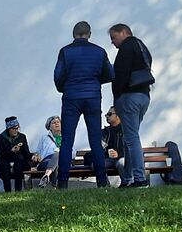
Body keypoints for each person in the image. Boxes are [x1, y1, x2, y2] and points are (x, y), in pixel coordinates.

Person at [53, 21, 113, 189]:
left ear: (73, 34)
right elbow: (110, 73)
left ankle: (62, 182)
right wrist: (95, 82)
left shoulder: (65, 51)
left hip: (71, 97)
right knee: (95, 139)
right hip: (93, 97)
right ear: (89, 34)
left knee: (67, 140)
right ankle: (101, 181)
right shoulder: (99, 51)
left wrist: (64, 88)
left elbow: (58, 75)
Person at [109, 23, 153, 188]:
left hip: (129, 97)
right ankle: (127, 179)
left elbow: (122, 74)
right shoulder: (141, 46)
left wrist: (117, 94)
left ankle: (140, 179)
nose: (112, 42)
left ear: (123, 32)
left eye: (113, 37)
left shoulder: (127, 47)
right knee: (130, 138)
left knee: (131, 139)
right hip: (143, 96)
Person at [0, 116, 35, 192]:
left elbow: (26, 153)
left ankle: (18, 190)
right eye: (14, 129)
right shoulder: (0, 138)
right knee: (4, 165)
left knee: (18, 164)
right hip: (6, 160)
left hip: (19, 161)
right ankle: (7, 191)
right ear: (9, 129)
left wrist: (33, 156)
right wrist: (11, 151)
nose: (16, 131)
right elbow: (1, 155)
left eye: (17, 128)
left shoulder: (22, 137)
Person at [33, 116, 64, 187]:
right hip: (46, 161)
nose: (56, 124)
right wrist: (36, 156)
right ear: (49, 127)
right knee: (57, 159)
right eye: (53, 123)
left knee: (58, 156)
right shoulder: (44, 138)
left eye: (58, 122)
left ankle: (47, 175)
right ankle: (54, 187)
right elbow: (38, 151)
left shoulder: (65, 137)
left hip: (62, 160)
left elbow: (72, 152)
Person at [101, 106, 125, 172]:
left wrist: (118, 154)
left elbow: (132, 148)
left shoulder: (126, 130)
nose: (107, 116)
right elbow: (100, 148)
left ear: (118, 115)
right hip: (108, 159)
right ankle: (104, 179)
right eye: (106, 115)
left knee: (122, 163)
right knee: (97, 164)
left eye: (109, 114)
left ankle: (127, 179)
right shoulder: (105, 132)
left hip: (122, 157)